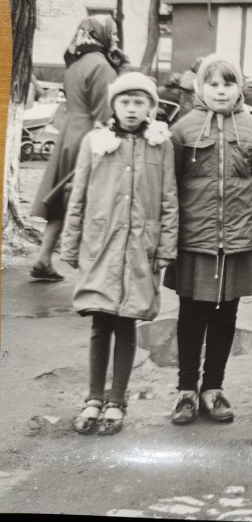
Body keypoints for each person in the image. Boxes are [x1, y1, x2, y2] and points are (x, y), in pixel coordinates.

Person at [61, 72, 178, 436]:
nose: (131, 109)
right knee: (101, 321)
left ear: (150, 108)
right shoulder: (95, 142)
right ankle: (94, 398)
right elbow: (78, 195)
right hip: (101, 246)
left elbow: (169, 198)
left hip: (141, 247)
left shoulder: (161, 145)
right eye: (124, 102)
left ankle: (117, 401)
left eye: (139, 102)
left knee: (128, 320)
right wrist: (71, 242)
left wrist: (165, 246)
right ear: (113, 105)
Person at [166, 54, 252, 426]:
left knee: (226, 315)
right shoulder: (182, 129)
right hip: (193, 240)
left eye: (228, 84)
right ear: (200, 88)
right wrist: (170, 235)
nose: (220, 91)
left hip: (237, 239)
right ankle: (186, 391)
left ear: (239, 88)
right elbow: (169, 187)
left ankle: (213, 388)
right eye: (212, 84)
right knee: (190, 314)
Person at [30, 15, 119, 282]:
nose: (115, 37)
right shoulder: (102, 66)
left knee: (62, 198)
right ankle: (91, 272)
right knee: (86, 201)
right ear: (102, 35)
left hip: (68, 133)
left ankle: (44, 259)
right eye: (112, 33)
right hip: (88, 136)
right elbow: (104, 113)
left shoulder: (76, 63)